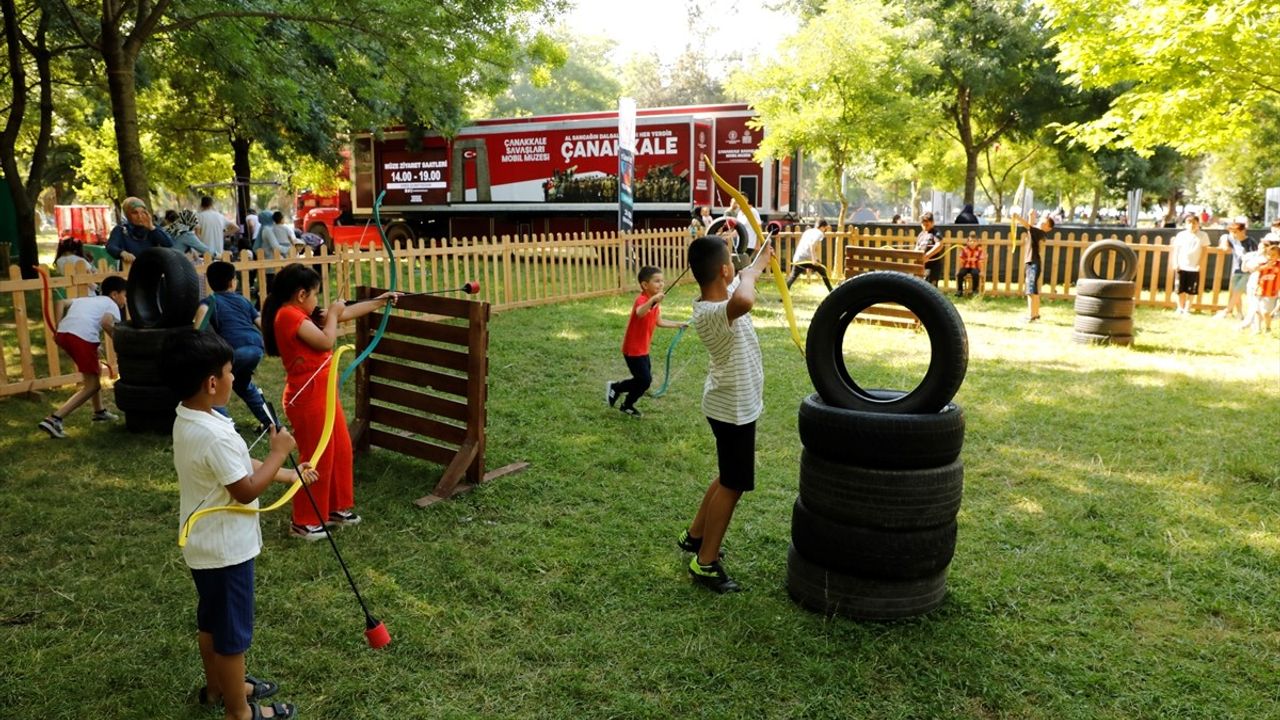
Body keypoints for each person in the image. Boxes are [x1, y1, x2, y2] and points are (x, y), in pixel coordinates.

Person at [163, 328, 313, 720]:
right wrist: (279, 454)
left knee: (212, 624)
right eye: (230, 372)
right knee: (231, 638)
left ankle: (219, 688)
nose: (235, 378)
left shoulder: (191, 417)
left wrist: (288, 474)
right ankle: (239, 711)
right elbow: (244, 490)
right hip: (227, 552)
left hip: (205, 547)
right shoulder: (214, 435)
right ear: (212, 383)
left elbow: (236, 467)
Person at [262, 263, 400, 540]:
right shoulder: (288, 315)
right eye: (315, 294)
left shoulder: (302, 312)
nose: (318, 300)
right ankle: (304, 521)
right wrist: (334, 314)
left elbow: (343, 313)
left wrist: (380, 301)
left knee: (340, 448)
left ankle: (335, 507)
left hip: (323, 394)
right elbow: (326, 341)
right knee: (317, 456)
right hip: (307, 397)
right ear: (301, 294)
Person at [677, 234, 772, 594]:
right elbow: (745, 298)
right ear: (724, 270)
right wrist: (748, 276)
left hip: (730, 405)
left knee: (727, 476)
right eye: (731, 262)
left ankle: (695, 535)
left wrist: (762, 254)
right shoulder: (713, 313)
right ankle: (705, 562)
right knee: (734, 484)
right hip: (733, 409)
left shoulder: (723, 293)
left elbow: (751, 272)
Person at [37, 276, 127, 438]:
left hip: (64, 335)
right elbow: (106, 323)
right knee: (92, 386)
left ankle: (99, 412)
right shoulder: (111, 304)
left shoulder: (88, 299)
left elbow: (61, 303)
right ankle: (54, 419)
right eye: (125, 295)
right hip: (81, 338)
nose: (126, 300)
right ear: (114, 294)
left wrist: (58, 326)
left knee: (95, 369)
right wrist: (122, 345)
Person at [194, 262, 274, 432]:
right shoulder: (244, 300)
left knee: (212, 387)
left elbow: (198, 329)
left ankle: (227, 427)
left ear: (210, 283)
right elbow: (261, 324)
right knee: (243, 385)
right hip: (256, 348)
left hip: (235, 350)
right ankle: (273, 425)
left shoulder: (209, 301)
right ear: (232, 282)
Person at [605, 266, 688, 418]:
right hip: (632, 350)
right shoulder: (642, 300)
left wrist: (678, 324)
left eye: (662, 281)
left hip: (643, 349)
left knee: (643, 381)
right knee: (644, 380)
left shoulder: (654, 302)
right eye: (657, 281)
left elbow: (659, 321)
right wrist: (652, 301)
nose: (661, 284)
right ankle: (617, 389)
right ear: (645, 285)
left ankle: (625, 400)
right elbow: (640, 312)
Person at [106, 196, 172, 264]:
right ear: (127, 215)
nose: (140, 216)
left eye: (143, 212)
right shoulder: (121, 230)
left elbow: (168, 244)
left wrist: (151, 228)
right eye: (135, 213)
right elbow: (110, 246)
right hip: (131, 268)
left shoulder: (152, 228)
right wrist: (122, 253)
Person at [1014, 214, 1054, 321]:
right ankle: (1035, 314)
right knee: (1033, 290)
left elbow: (1027, 225)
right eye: (1042, 220)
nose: (1041, 221)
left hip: (1032, 263)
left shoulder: (1038, 232)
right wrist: (1030, 215)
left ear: (1048, 228)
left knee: (1030, 290)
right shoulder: (1038, 233)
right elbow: (1030, 226)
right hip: (1033, 263)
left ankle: (1031, 315)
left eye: (1044, 222)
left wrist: (1017, 217)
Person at [1216, 216, 1257, 319]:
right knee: (1236, 292)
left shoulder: (1250, 241)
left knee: (1238, 291)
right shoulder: (1232, 239)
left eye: (1236, 232)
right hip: (1236, 269)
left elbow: (1255, 255)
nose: (1234, 234)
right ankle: (1239, 313)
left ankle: (1226, 311)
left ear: (1243, 231)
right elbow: (1224, 241)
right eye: (1232, 232)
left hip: (1248, 271)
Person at [1172, 214, 1210, 314]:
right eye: (1189, 223)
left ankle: (1187, 309)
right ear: (1185, 224)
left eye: (1194, 223)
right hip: (1181, 265)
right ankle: (1180, 308)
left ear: (1198, 224)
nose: (1192, 225)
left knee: (1191, 289)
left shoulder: (1203, 235)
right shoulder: (1181, 235)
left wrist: (1200, 264)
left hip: (1194, 267)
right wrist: (1175, 263)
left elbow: (1204, 251)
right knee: (1179, 289)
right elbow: (1176, 250)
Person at [1240, 240, 1280, 333]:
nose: (1270, 257)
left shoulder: (1278, 265)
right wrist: (1265, 266)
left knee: (1265, 312)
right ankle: (1257, 329)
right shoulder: (1262, 264)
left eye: (1273, 255)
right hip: (1259, 290)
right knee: (1257, 310)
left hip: (1271, 292)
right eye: (1268, 255)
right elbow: (1253, 269)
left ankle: (1268, 327)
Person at [785, 219, 833, 291]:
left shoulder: (808, 231)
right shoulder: (819, 233)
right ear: (822, 227)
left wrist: (815, 258)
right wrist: (814, 260)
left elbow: (806, 246)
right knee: (823, 272)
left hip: (798, 257)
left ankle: (784, 293)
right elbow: (812, 245)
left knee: (793, 276)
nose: (825, 231)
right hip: (806, 259)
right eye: (825, 229)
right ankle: (831, 291)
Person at [914, 212, 945, 286]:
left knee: (930, 286)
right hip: (922, 265)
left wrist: (927, 255)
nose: (925, 227)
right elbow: (917, 247)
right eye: (923, 225)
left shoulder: (935, 233)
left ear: (932, 223)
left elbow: (939, 245)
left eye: (927, 224)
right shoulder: (921, 234)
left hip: (933, 266)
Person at [955, 231, 986, 297]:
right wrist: (959, 270)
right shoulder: (964, 249)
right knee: (960, 274)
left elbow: (981, 261)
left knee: (975, 274)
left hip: (975, 267)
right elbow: (961, 261)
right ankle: (960, 290)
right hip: (966, 267)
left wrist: (982, 271)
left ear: (977, 242)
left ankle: (974, 290)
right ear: (967, 242)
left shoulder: (980, 250)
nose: (972, 243)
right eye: (970, 241)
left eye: (974, 241)